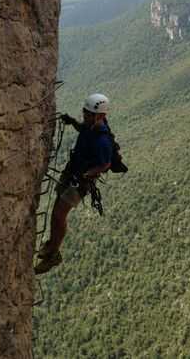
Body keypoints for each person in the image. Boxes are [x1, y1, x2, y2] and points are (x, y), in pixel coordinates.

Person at [34, 93, 113, 275]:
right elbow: (84, 130)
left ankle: (53, 254)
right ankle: (52, 245)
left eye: (88, 114)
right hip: (73, 174)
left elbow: (105, 164)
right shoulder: (89, 126)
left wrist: (88, 174)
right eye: (84, 113)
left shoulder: (103, 141)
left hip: (80, 182)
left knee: (59, 214)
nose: (84, 117)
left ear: (100, 116)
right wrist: (72, 122)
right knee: (55, 212)